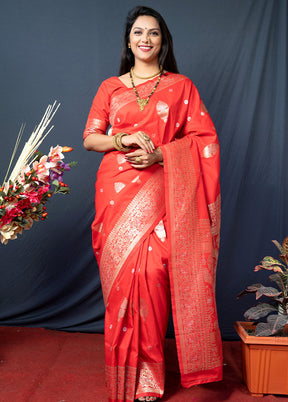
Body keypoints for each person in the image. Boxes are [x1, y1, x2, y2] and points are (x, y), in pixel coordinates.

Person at [83, 5, 222, 402]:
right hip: (115, 192)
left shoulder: (181, 86)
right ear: (128, 40)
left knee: (153, 278)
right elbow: (91, 137)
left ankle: (149, 377)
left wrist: (162, 155)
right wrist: (121, 140)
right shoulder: (111, 87)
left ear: (163, 41)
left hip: (163, 192)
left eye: (154, 33)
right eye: (138, 32)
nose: (146, 39)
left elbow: (204, 141)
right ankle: (125, 376)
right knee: (123, 282)